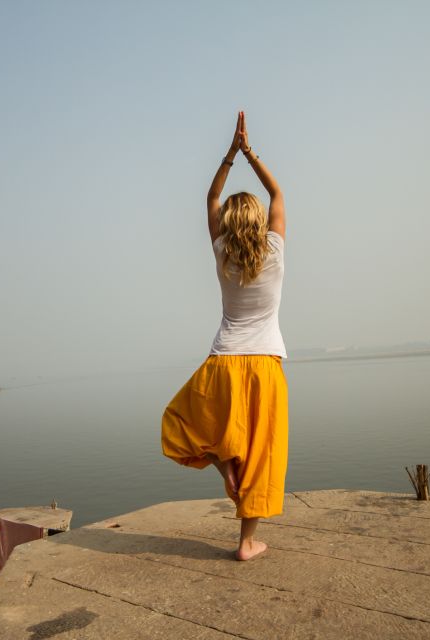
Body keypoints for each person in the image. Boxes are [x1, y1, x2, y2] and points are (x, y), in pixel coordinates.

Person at [162, 111, 288, 561]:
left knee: (180, 422)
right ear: (258, 222)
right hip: (264, 366)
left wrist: (230, 153)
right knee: (261, 453)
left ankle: (223, 467)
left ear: (230, 225)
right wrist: (251, 151)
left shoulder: (221, 252)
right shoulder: (273, 249)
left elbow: (212, 195)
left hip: (223, 363)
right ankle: (246, 543)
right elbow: (276, 191)